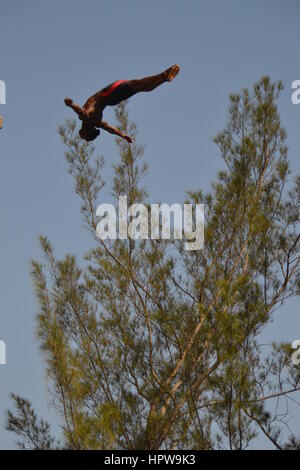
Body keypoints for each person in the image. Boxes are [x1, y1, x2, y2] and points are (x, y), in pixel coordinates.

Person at [64, 64, 180, 143]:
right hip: (108, 94)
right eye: (84, 136)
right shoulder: (87, 118)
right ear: (86, 131)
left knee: (140, 87)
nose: (81, 136)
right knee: (138, 84)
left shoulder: (96, 123)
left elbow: (110, 129)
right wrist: (71, 104)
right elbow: (81, 112)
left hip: (111, 99)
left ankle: (165, 78)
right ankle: (164, 75)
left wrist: (122, 135)